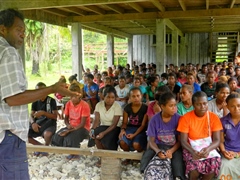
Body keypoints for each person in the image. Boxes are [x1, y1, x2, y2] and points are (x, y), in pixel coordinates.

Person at [0, 9, 79, 179]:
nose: (22, 35)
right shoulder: (8, 53)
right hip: (8, 135)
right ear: (3, 29)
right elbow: (13, 98)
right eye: (18, 30)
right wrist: (52, 88)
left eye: (24, 31)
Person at [177, 91, 223, 179]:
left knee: (213, 166)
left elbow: (217, 140)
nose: (203, 107)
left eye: (205, 103)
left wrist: (208, 149)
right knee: (194, 169)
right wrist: (192, 151)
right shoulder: (185, 118)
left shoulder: (213, 117)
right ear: (193, 105)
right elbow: (183, 141)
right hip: (190, 149)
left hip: (208, 147)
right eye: (199, 104)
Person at [140, 92, 185, 179]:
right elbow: (151, 141)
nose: (174, 108)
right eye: (171, 106)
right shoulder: (154, 120)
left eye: (175, 105)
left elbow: (180, 141)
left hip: (173, 147)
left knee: (178, 167)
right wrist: (158, 151)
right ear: (162, 106)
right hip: (158, 146)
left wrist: (171, 151)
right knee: (145, 162)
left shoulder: (179, 119)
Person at [51, 83, 90, 160]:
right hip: (71, 126)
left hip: (83, 128)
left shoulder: (84, 105)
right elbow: (66, 119)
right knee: (57, 136)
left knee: (71, 137)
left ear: (79, 95)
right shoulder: (68, 104)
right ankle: (69, 150)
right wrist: (68, 125)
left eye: (75, 96)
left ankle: (75, 154)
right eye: (71, 96)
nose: (73, 98)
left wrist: (69, 131)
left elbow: (82, 124)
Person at [90, 86, 122, 166]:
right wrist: (92, 130)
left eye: (112, 97)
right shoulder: (99, 105)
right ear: (103, 97)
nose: (110, 100)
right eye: (108, 97)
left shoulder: (117, 106)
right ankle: (102, 157)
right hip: (104, 126)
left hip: (114, 128)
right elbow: (96, 120)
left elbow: (114, 124)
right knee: (95, 135)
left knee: (107, 139)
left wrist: (103, 133)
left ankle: (110, 157)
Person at [119, 87, 148, 163]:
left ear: (141, 96)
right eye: (133, 96)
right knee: (122, 141)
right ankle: (128, 157)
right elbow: (124, 123)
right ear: (130, 97)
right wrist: (123, 130)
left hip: (141, 130)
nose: (136, 98)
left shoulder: (145, 108)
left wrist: (134, 135)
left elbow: (143, 125)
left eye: (138, 96)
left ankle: (138, 156)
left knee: (136, 144)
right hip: (130, 128)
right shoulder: (127, 108)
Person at [28, 82, 58, 156]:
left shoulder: (51, 101)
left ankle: (45, 147)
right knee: (24, 133)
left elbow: (55, 116)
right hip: (38, 123)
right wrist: (33, 123)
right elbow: (31, 115)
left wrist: (44, 113)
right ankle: (40, 147)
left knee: (47, 134)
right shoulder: (35, 101)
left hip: (49, 124)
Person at [218, 93, 240, 179]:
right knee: (224, 166)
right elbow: (220, 141)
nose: (236, 109)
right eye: (232, 106)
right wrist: (224, 152)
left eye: (239, 105)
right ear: (227, 107)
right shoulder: (222, 121)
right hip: (227, 152)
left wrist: (238, 154)